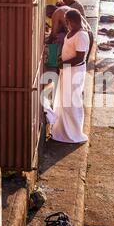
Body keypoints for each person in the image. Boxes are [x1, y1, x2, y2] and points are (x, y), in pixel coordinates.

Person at [51, 10, 90, 144]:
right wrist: (61, 59)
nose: (66, 24)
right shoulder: (71, 32)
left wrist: (64, 64)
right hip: (67, 71)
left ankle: (74, 133)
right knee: (64, 101)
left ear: (72, 21)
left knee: (72, 102)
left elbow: (79, 58)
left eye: (67, 21)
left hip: (74, 72)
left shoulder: (81, 36)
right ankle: (63, 130)